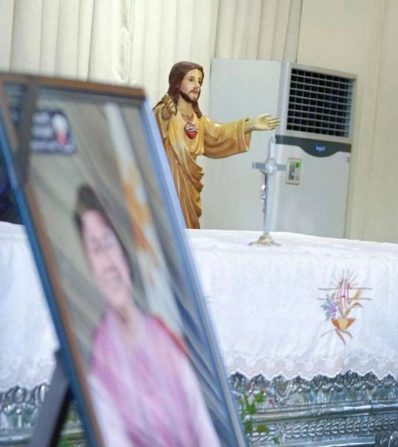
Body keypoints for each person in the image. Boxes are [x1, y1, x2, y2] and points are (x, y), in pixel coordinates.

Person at [74, 184, 220, 446]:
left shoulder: (162, 334)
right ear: (89, 267)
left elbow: (201, 424)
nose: (108, 263)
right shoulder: (99, 365)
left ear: (124, 251)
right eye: (95, 249)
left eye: (110, 242)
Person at [153, 61, 280, 229]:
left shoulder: (199, 121)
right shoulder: (165, 111)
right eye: (191, 79)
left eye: (199, 81)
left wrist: (250, 125)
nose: (197, 85)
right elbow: (148, 132)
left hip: (189, 190)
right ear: (177, 82)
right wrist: (165, 115)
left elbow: (219, 134)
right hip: (166, 187)